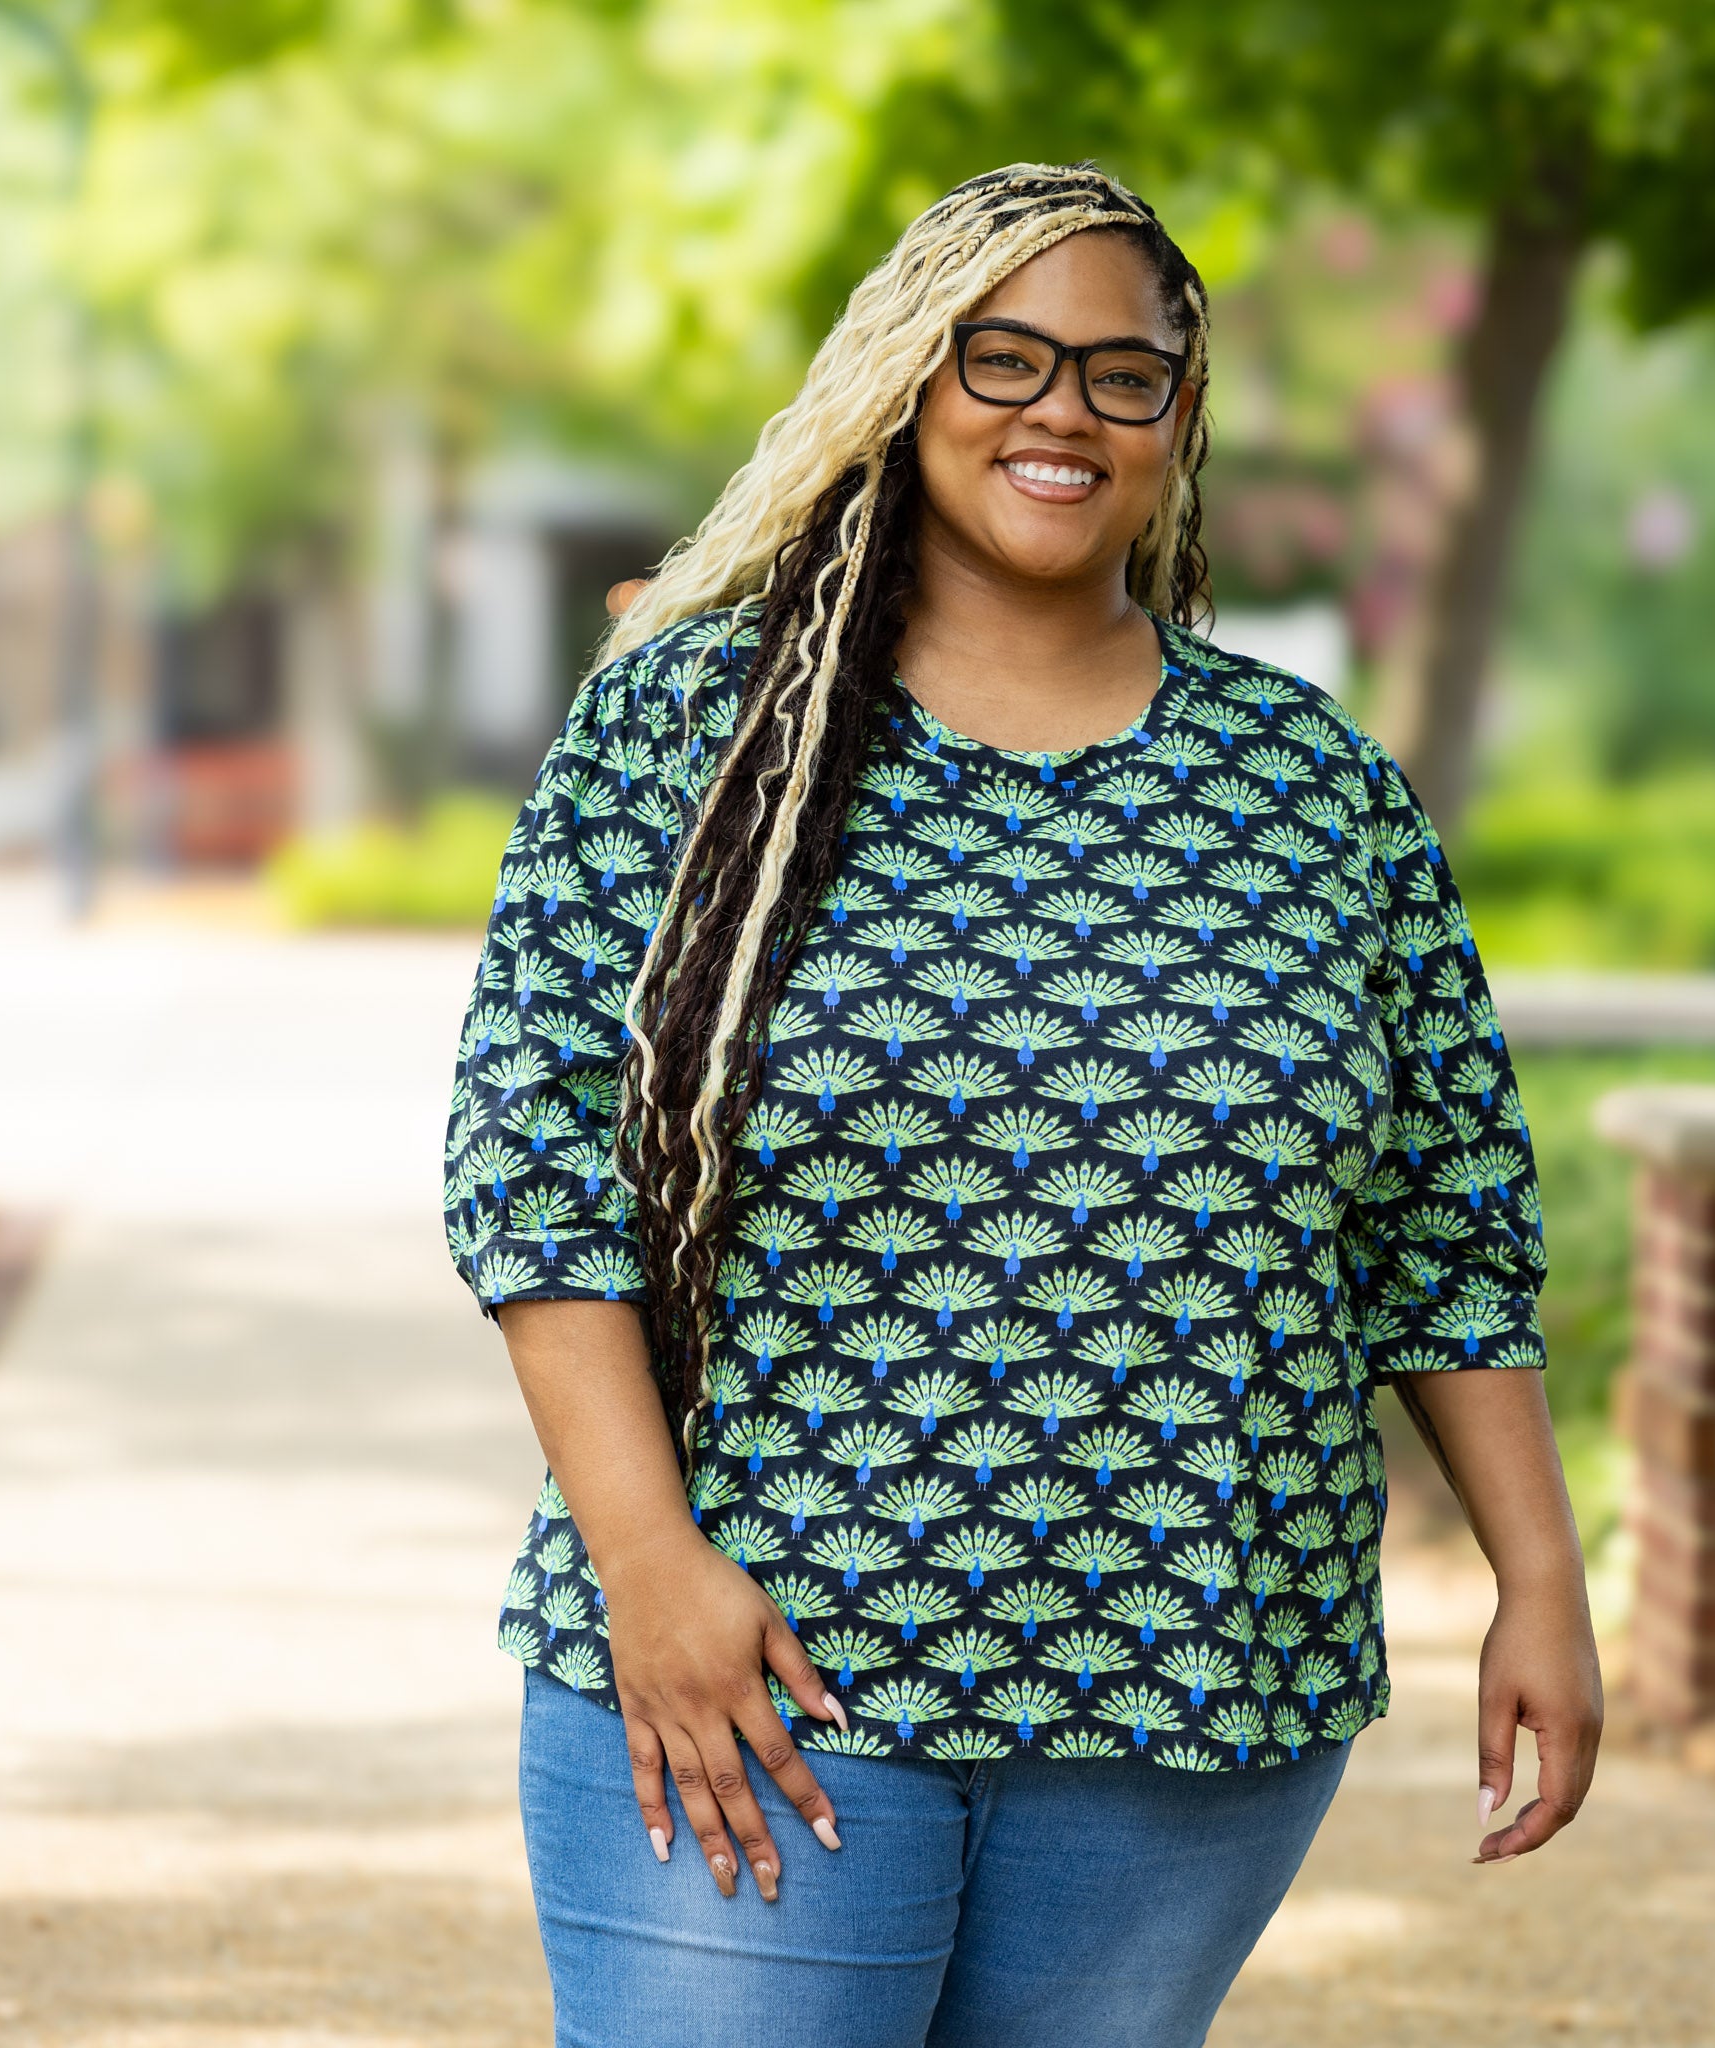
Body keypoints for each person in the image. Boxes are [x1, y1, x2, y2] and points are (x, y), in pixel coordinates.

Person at [443, 161, 1602, 2048]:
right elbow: (534, 1172)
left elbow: (1446, 1231)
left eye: (1121, 373)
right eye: (1004, 358)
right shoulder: (684, 731)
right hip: (765, 1663)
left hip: (1194, 1696)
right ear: (909, 379)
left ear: (1179, 418)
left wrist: (1539, 1579)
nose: (1062, 410)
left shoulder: (1314, 791)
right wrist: (649, 1571)